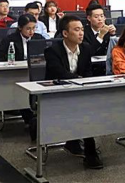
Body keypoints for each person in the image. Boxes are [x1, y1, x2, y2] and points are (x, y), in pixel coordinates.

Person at [44, 15, 103, 169]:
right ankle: (90, 151)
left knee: (88, 107)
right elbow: (59, 73)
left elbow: (88, 71)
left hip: (79, 91)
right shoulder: (52, 51)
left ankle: (76, 143)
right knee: (84, 110)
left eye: (82, 29)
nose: (81, 33)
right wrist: (78, 79)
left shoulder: (86, 48)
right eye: (76, 30)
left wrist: (85, 83)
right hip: (56, 93)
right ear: (65, 33)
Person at [0, 14, 43, 139]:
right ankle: (30, 118)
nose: (31, 32)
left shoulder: (38, 38)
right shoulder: (11, 39)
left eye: (33, 28)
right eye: (28, 28)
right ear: (20, 28)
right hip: (15, 73)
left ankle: (32, 118)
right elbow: (0, 52)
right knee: (18, 94)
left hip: (32, 73)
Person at [83, 3, 115, 76]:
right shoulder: (84, 33)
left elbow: (114, 50)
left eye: (102, 16)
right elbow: (89, 52)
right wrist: (101, 36)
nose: (100, 19)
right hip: (91, 69)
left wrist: (113, 35)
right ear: (89, 18)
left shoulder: (108, 31)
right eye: (96, 17)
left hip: (106, 66)